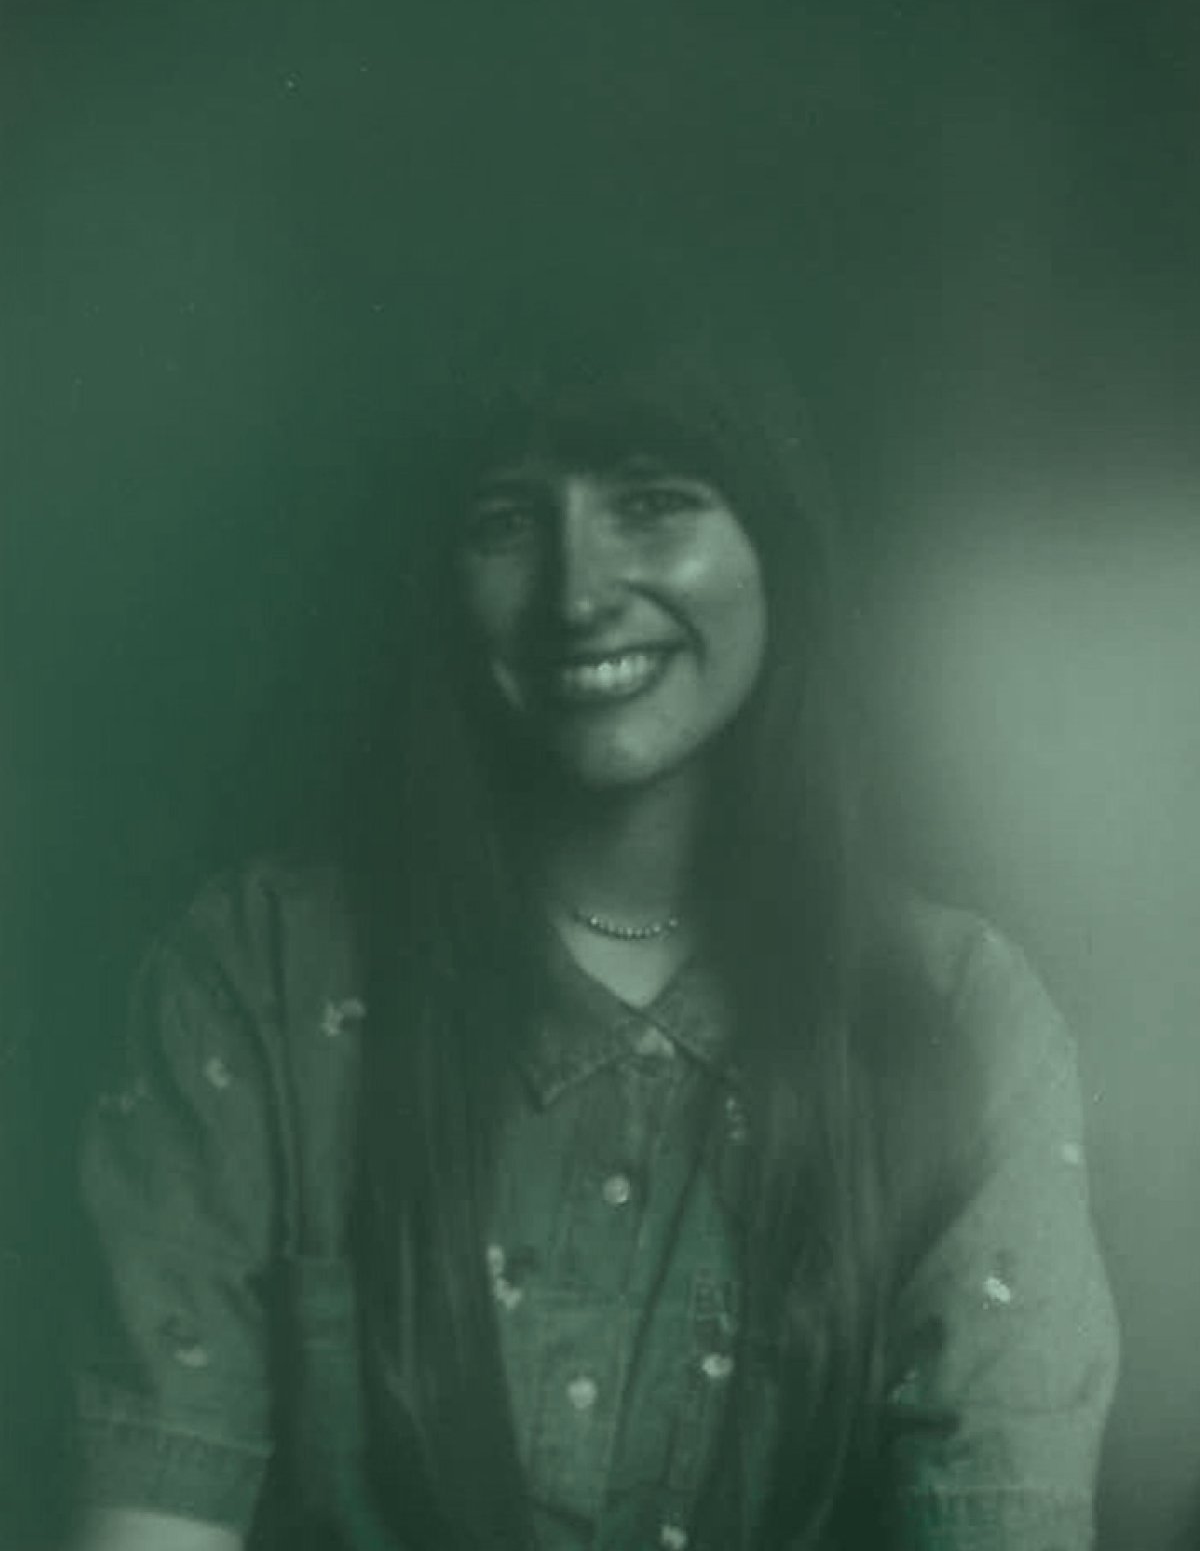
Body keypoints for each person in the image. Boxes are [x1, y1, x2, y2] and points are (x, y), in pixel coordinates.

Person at [66, 301, 1119, 1551]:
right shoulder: (254, 979)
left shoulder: (962, 1019)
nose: (577, 591)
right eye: (506, 521)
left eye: (653, 502)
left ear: (775, 542)